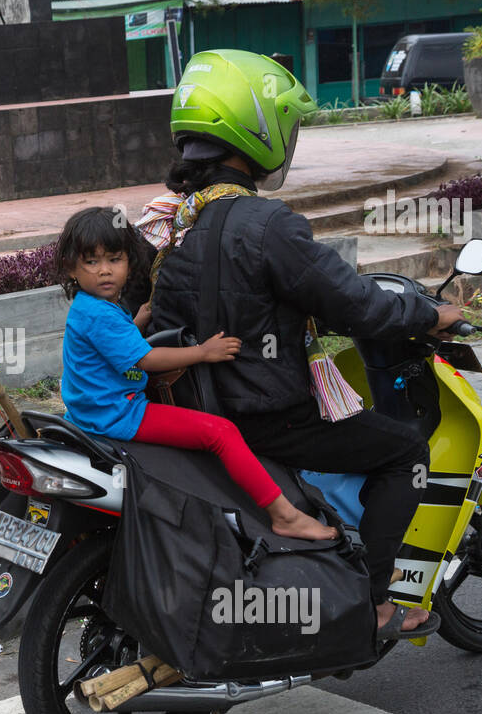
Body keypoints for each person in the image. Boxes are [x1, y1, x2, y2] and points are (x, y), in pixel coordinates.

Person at [142, 49, 465, 640]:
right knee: (403, 453)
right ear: (255, 128)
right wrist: (427, 310)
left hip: (189, 413)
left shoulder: (168, 221)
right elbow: (356, 305)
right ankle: (375, 603)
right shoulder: (267, 226)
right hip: (264, 418)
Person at [58, 206, 338, 543]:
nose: (105, 270)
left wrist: (139, 322)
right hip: (116, 414)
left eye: (114, 259)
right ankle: (285, 516)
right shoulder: (98, 313)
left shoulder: (91, 307)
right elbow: (145, 360)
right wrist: (204, 352)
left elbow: (114, 349)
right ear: (72, 268)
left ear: (129, 262)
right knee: (220, 433)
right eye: (92, 262)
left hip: (89, 409)